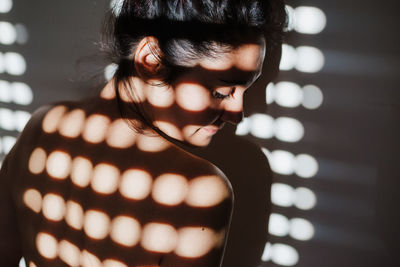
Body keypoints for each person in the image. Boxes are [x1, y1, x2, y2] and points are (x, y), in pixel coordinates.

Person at [0, 0, 286, 266]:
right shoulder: (197, 189)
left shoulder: (40, 127)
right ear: (151, 60)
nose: (238, 114)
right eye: (222, 91)